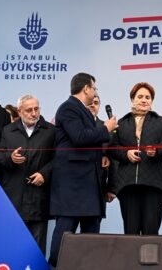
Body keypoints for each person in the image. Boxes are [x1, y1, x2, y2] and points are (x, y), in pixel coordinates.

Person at [48, 73, 117, 267]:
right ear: (86, 88)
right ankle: (55, 266)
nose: (95, 92)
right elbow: (79, 137)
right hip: (72, 186)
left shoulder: (83, 110)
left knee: (91, 238)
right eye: (94, 88)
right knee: (64, 234)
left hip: (90, 184)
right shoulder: (68, 107)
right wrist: (106, 128)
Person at [110, 82, 162, 235]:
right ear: (133, 99)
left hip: (153, 185)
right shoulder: (121, 123)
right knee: (130, 233)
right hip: (128, 185)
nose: (144, 100)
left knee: (151, 233)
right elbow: (112, 148)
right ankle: (131, 260)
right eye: (140, 97)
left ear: (152, 101)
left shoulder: (161, 122)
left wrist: (156, 151)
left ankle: (150, 260)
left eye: (148, 97)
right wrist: (126, 154)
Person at [0, 95, 54, 254]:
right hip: (15, 197)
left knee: (36, 249)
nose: (34, 113)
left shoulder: (50, 131)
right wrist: (11, 158)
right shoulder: (8, 131)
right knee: (13, 249)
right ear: (20, 111)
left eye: (37, 109)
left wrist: (44, 174)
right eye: (29, 110)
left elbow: (58, 159)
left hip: (39, 198)